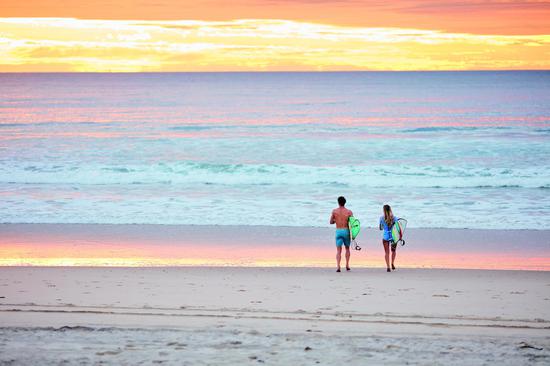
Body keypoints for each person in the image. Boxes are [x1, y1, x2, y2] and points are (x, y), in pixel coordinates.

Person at [330, 196, 353, 272]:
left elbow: (331, 222)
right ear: (345, 202)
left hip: (338, 231)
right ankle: (347, 265)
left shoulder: (334, 211)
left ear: (338, 202)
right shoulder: (349, 212)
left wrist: (336, 220)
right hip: (346, 231)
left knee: (338, 250)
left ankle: (338, 267)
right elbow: (353, 224)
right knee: (347, 248)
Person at [379, 204, 398, 272]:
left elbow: (380, 228)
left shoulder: (381, 218)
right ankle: (392, 263)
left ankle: (388, 267)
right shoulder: (395, 218)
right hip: (393, 237)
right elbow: (397, 228)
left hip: (385, 236)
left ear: (383, 210)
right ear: (390, 209)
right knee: (393, 251)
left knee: (387, 253)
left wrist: (384, 226)